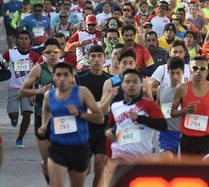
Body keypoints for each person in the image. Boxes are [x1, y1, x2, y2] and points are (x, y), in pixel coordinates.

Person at [37, 62, 104, 187]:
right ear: (53, 77)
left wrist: (79, 113)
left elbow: (99, 118)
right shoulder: (49, 96)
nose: (62, 78)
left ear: (72, 77)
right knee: (56, 184)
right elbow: (46, 109)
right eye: (59, 75)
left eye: (66, 75)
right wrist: (44, 125)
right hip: (57, 147)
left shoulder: (82, 92)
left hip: (79, 148)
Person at [19, 37, 61, 184]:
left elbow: (76, 91)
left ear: (60, 53)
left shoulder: (66, 70)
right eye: (48, 52)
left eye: (55, 51)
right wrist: (39, 92)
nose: (52, 55)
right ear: (44, 53)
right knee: (46, 161)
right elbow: (22, 91)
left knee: (59, 160)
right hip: (41, 117)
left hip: (61, 120)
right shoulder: (38, 69)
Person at [105, 69, 167, 160]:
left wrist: (139, 118)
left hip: (142, 156)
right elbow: (110, 125)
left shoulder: (148, 105)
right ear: (122, 85)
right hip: (119, 154)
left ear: (141, 85)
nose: (131, 84)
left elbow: (163, 125)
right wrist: (108, 131)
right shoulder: (115, 106)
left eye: (135, 82)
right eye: (127, 82)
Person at [171, 56, 209, 158]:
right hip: (187, 139)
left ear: (207, 71)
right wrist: (185, 110)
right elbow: (172, 112)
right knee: (188, 173)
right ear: (190, 70)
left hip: (207, 139)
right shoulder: (182, 88)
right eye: (195, 68)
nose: (198, 71)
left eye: (202, 69)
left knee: (207, 170)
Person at [75, 45, 111, 187]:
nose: (96, 60)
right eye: (93, 56)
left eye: (99, 56)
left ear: (105, 59)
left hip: (104, 127)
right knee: (84, 169)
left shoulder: (111, 80)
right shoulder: (79, 78)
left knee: (100, 167)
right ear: (87, 59)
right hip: (84, 127)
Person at [3, 30, 39, 147]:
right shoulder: (10, 53)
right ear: (17, 41)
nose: (23, 41)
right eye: (21, 39)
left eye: (26, 39)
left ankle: (20, 138)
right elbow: (3, 64)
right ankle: (14, 119)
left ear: (30, 42)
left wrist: (35, 90)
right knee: (13, 114)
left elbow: (39, 73)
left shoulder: (34, 56)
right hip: (13, 87)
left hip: (28, 89)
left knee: (27, 113)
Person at [157, 57, 185, 158]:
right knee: (167, 162)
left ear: (183, 72)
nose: (175, 76)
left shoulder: (187, 90)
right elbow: (157, 108)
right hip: (166, 134)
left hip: (185, 133)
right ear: (168, 72)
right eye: (172, 73)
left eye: (178, 73)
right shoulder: (161, 89)